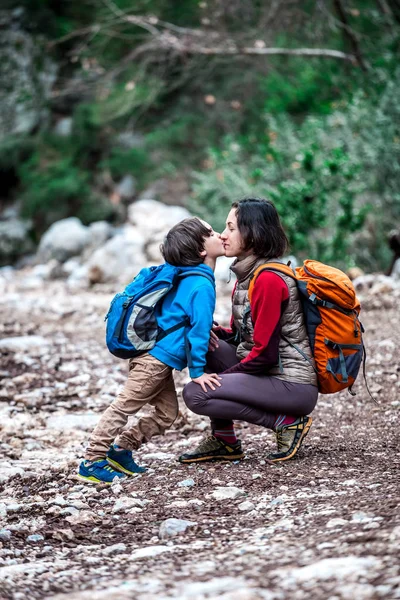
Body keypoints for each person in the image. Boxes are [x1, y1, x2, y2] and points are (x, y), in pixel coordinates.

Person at [78, 217, 224, 484]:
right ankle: (92, 460)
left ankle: (121, 450)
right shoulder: (201, 285)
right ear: (202, 251)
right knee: (123, 407)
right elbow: (198, 332)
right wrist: (198, 373)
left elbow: (182, 318)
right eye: (212, 233)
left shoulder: (188, 278)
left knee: (167, 414)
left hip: (154, 357)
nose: (220, 235)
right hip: (153, 362)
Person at [179, 198, 319, 464]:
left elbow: (264, 354)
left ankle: (287, 423)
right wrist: (216, 334)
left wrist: (221, 380)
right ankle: (224, 440)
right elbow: (244, 336)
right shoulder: (247, 275)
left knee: (196, 393)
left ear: (253, 233)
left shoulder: (267, 279)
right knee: (206, 348)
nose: (222, 235)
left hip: (292, 384)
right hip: (269, 374)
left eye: (231, 228)